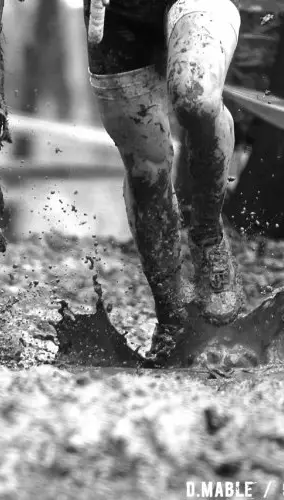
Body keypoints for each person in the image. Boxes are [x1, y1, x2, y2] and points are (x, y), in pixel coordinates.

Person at [83, 0, 245, 355]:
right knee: (146, 170)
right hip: (115, 14)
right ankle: (171, 311)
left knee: (196, 98)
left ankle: (206, 232)